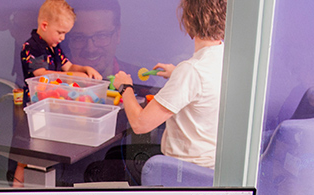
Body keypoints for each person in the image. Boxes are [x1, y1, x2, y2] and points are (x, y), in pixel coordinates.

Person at [89, 0, 226, 185]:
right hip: (213, 168)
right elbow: (203, 82)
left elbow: (139, 124)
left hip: (185, 173)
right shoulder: (224, 57)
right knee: (115, 154)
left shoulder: (192, 71)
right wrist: (177, 73)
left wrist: (125, 87)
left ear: (190, 18)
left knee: (98, 170)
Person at [13, 0, 103, 185]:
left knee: (48, 149)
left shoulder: (54, 47)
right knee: (28, 152)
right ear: (44, 26)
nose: (62, 37)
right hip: (36, 106)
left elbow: (68, 66)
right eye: (60, 32)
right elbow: (40, 73)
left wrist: (84, 68)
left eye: (65, 33)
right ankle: (17, 187)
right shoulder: (32, 47)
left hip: (54, 104)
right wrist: (71, 75)